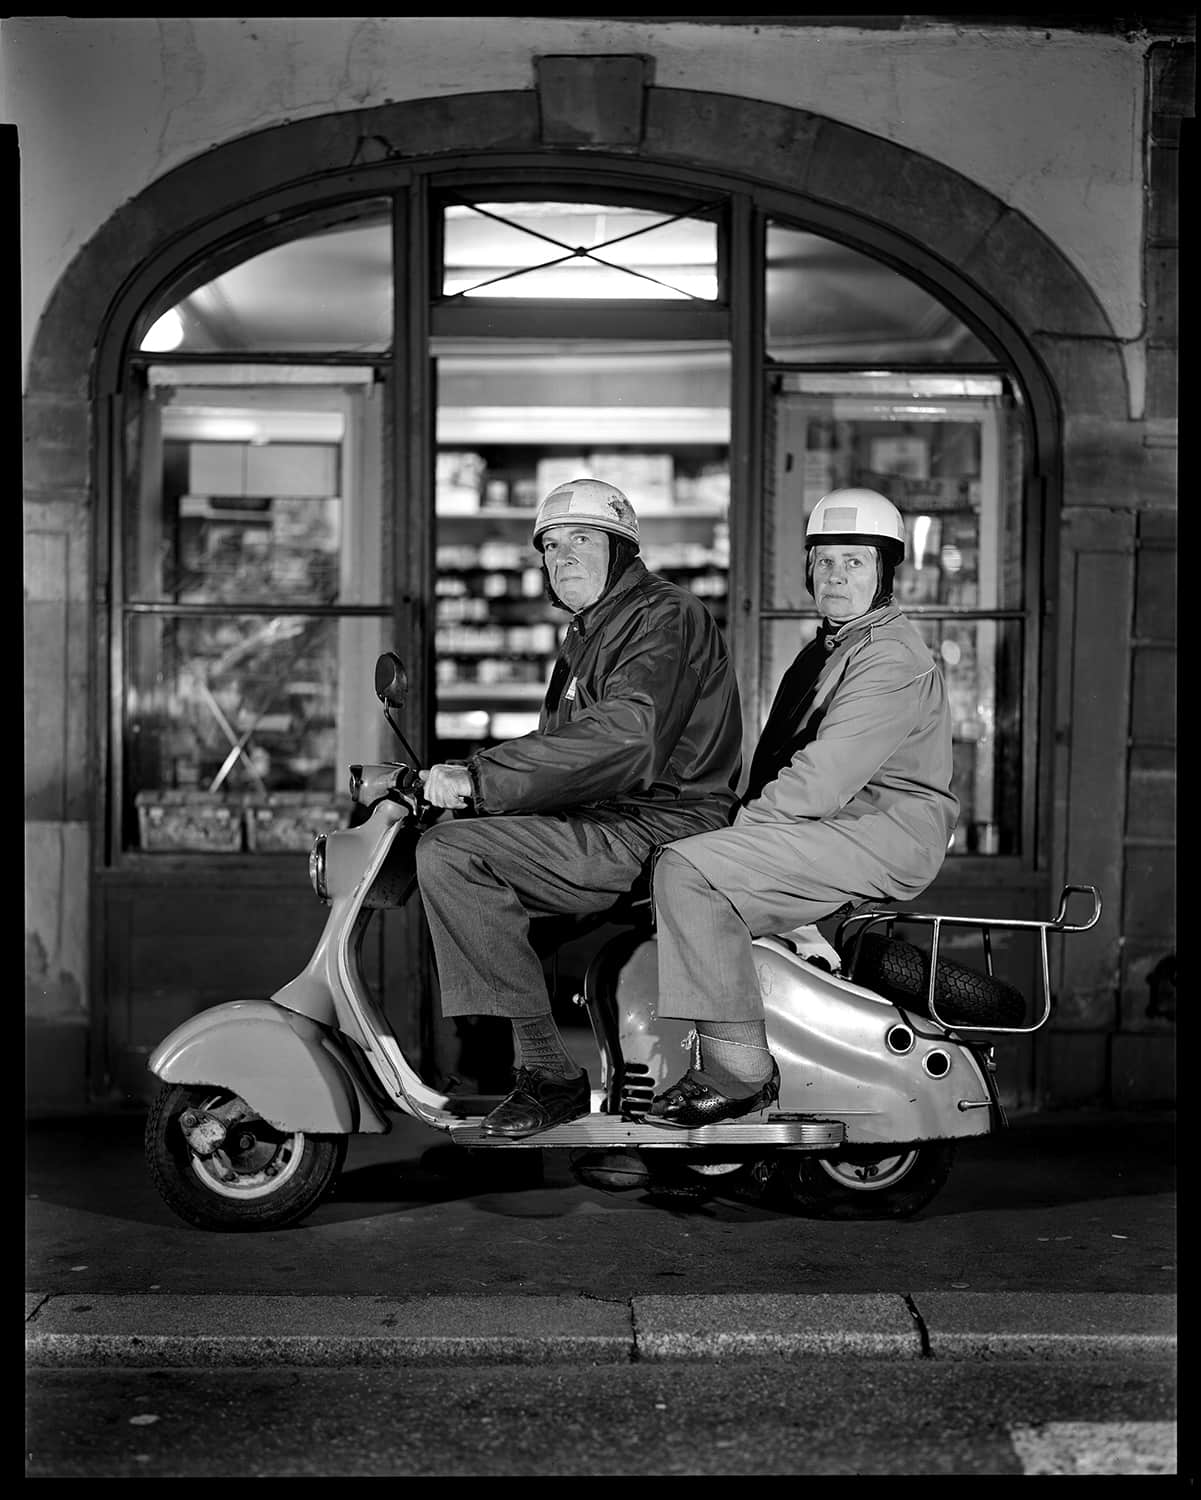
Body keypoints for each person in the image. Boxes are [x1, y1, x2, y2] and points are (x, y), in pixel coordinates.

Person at [415, 477, 743, 1139]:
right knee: (463, 861)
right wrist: (466, 785)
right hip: (612, 816)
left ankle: (546, 1074)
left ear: (621, 550)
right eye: (550, 545)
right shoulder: (593, 631)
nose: (560, 557)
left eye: (582, 540)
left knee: (452, 858)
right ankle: (491, 1067)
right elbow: (561, 749)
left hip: (658, 824)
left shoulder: (663, 616)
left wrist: (480, 779)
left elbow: (627, 734)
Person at [643, 487, 960, 1128]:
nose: (836, 575)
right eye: (824, 561)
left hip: (882, 830)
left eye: (855, 562)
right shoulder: (835, 645)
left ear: (885, 573)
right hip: (846, 823)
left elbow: (821, 777)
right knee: (691, 856)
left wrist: (737, 838)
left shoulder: (891, 656)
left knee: (690, 870)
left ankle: (740, 1074)